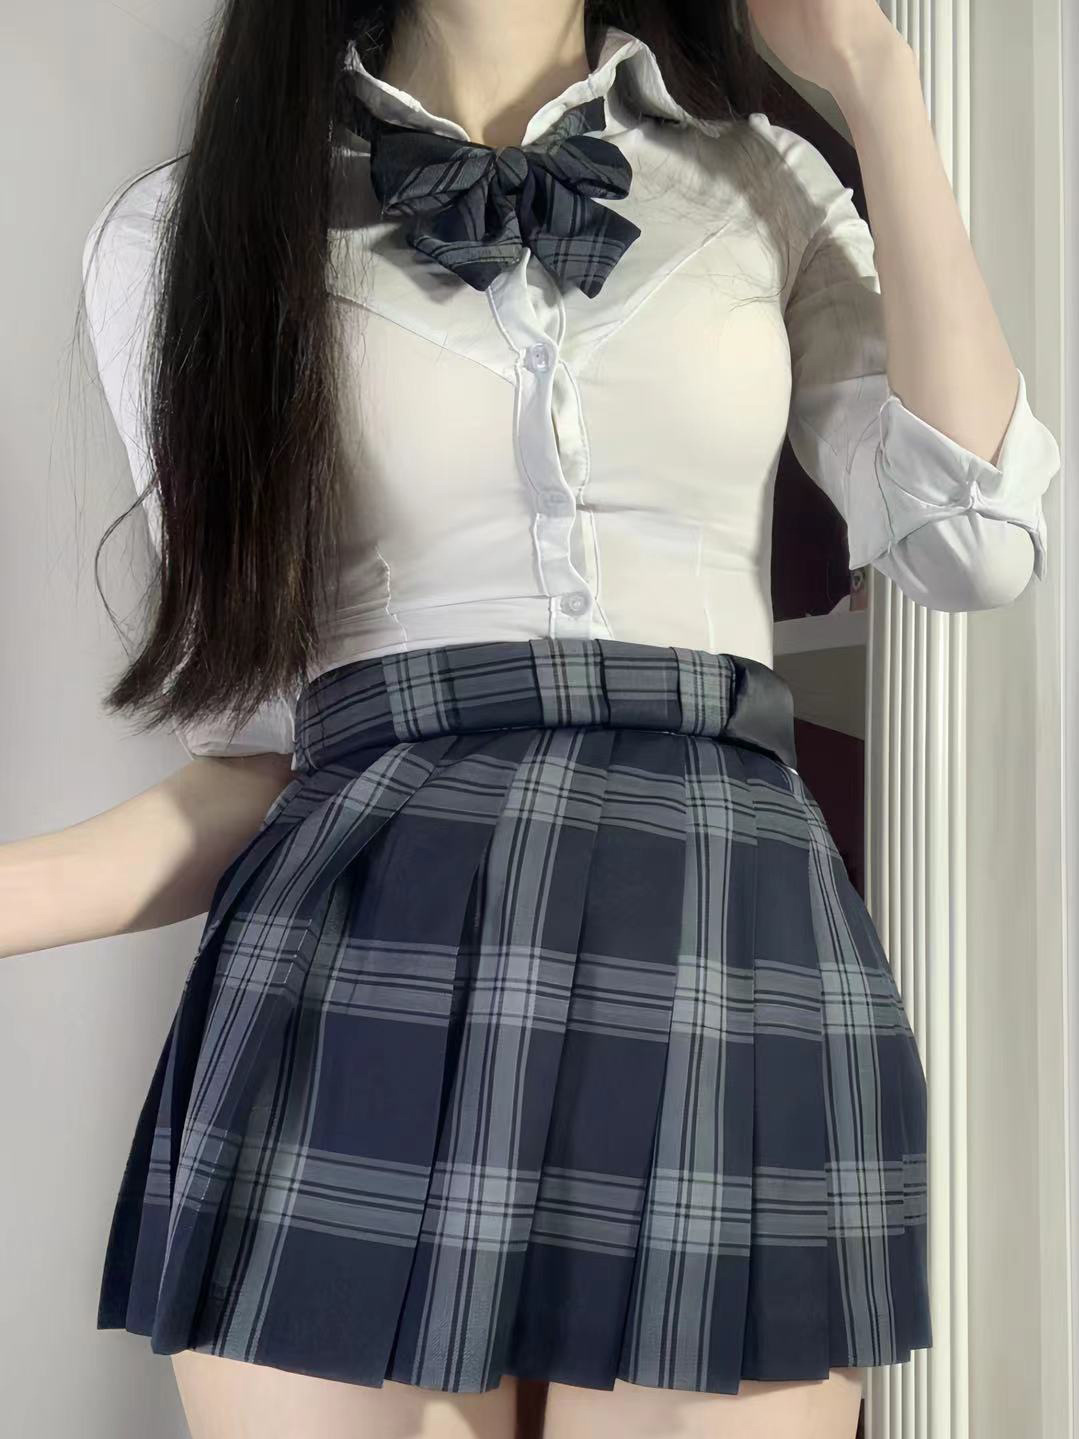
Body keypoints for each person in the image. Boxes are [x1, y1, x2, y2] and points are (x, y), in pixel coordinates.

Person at [3, 1, 1061, 1436]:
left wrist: (878, 83)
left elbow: (974, 545)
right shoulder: (192, 229)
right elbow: (264, 755)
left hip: (720, 945)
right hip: (356, 956)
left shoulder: (759, 178)